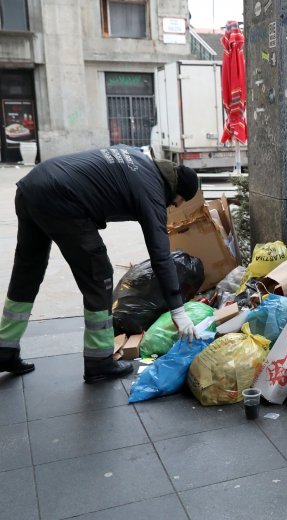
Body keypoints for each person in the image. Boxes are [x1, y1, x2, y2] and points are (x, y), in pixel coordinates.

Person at [0, 145, 201, 383]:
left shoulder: (138, 158)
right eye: (180, 200)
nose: (177, 206)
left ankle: (5, 350)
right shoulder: (152, 188)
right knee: (99, 273)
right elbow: (160, 254)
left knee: (28, 270)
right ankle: (99, 361)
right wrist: (178, 311)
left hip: (32, 186)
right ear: (174, 188)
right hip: (61, 198)